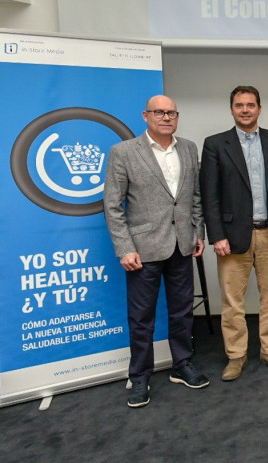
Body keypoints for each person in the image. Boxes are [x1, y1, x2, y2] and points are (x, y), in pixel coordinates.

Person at [103, 95, 208, 408]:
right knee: (141, 317)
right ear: (145, 115)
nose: (166, 117)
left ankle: (182, 364)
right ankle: (139, 376)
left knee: (181, 310)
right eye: (159, 112)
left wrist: (198, 232)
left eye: (171, 112)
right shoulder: (123, 152)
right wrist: (124, 248)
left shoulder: (188, 148)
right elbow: (112, 204)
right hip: (143, 249)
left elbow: (195, 197)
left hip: (182, 245)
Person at [199, 86, 268, 381]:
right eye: (239, 105)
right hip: (231, 237)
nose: (245, 110)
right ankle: (236, 355)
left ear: (259, 108)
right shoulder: (216, 144)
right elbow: (210, 194)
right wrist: (216, 235)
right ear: (231, 109)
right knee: (232, 301)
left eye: (250, 105)